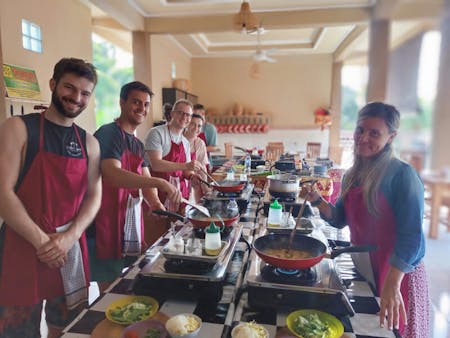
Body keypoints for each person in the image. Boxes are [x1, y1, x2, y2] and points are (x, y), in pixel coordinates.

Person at [304, 102, 429, 337]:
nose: (363, 138)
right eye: (360, 130)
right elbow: (340, 218)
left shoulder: (402, 175)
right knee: (368, 328)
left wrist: (393, 281)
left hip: (397, 273)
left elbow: (412, 237)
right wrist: (317, 200)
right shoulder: (353, 174)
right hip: (366, 266)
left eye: (374, 133)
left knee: (392, 330)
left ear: (391, 137)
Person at [0, 57, 102, 338]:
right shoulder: (18, 128)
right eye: (69, 88)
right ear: (53, 84)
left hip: (68, 248)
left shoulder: (89, 143)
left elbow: (94, 196)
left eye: (84, 93)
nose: (76, 98)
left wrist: (69, 237)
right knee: (18, 332)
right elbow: (3, 193)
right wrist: (43, 242)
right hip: (21, 246)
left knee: (67, 327)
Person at [88, 81, 182, 292]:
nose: (142, 108)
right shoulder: (109, 134)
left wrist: (158, 207)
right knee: (110, 290)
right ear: (122, 103)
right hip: (103, 224)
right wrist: (161, 181)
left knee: (127, 281)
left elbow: (145, 178)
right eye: (136, 102)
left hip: (127, 223)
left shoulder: (138, 145)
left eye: (146, 104)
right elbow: (113, 174)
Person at [145, 99, 203, 203]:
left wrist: (192, 176)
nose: (184, 117)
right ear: (172, 113)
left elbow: (187, 172)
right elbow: (156, 164)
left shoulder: (185, 142)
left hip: (180, 197)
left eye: (188, 115)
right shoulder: (157, 133)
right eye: (181, 113)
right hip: (159, 196)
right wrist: (186, 165)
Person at [183, 113, 211, 202]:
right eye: (193, 124)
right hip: (179, 182)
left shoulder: (200, 143)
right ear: (187, 123)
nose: (196, 128)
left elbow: (202, 169)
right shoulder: (178, 140)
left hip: (194, 184)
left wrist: (206, 189)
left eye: (199, 126)